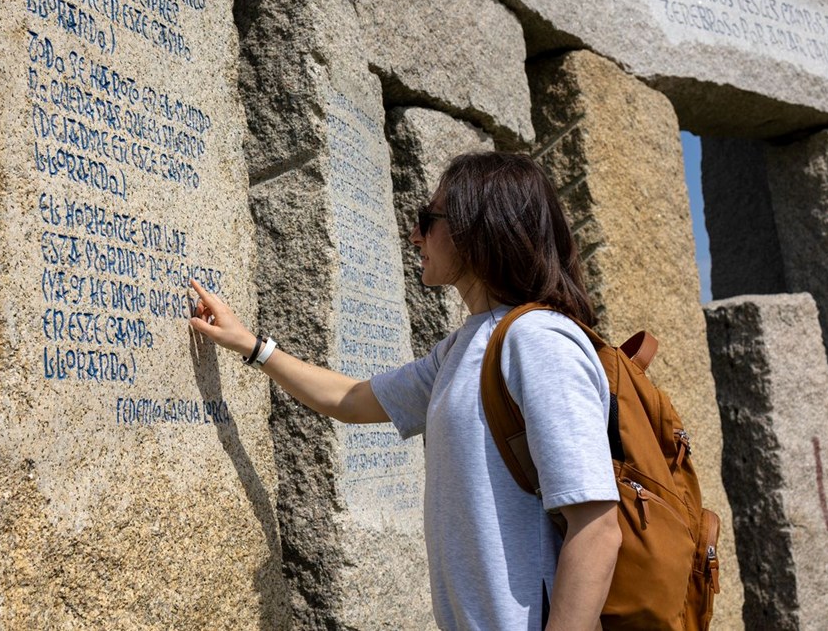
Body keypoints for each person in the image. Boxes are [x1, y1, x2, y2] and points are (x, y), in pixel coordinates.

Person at [188, 152, 622, 631]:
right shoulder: (465, 345)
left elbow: (597, 527)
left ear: (476, 228)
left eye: (427, 219)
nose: (415, 235)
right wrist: (252, 345)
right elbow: (351, 399)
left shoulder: (537, 341)